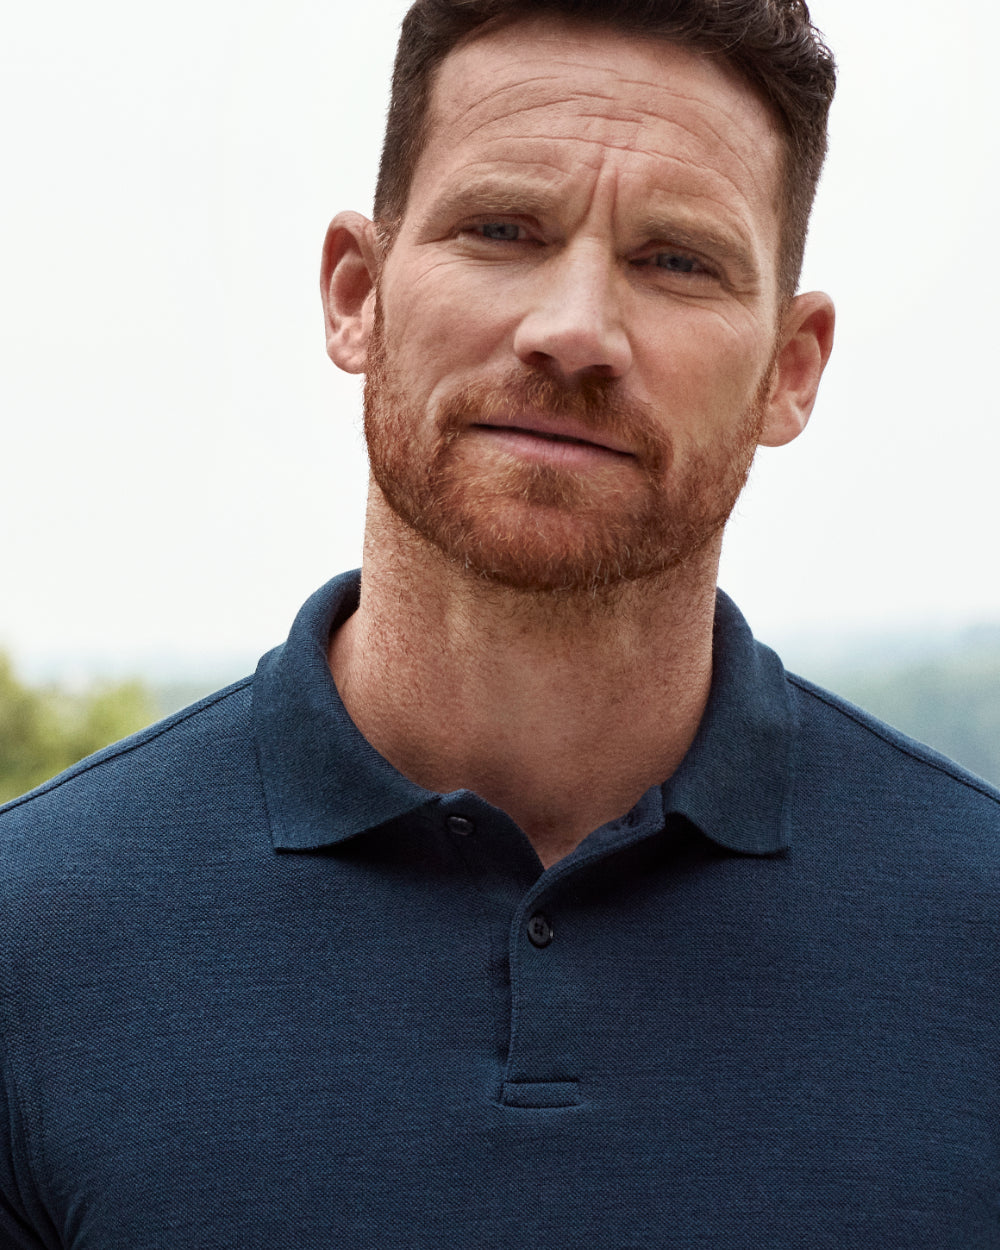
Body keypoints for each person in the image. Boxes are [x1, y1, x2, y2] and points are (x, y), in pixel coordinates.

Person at [1, 1, 997, 1245]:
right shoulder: (27, 940)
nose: (574, 329)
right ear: (355, 293)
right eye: (503, 229)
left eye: (676, 259)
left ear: (789, 370)